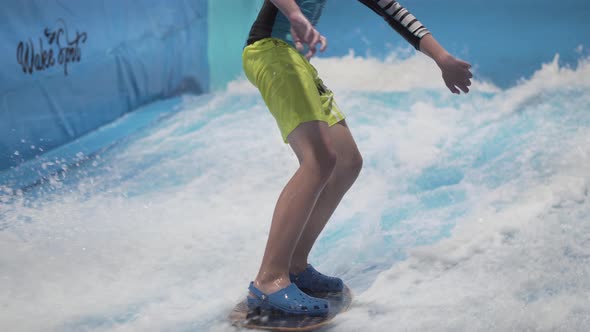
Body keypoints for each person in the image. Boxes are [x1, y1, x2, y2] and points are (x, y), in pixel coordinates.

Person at [242, 0, 472, 316]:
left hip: (293, 58)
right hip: (269, 51)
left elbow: (394, 12)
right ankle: (269, 280)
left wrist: (442, 58)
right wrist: (294, 14)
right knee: (318, 159)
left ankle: (295, 265)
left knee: (348, 161)